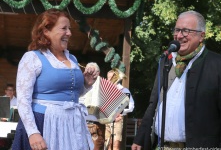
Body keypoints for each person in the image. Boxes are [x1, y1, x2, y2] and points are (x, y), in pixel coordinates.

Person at [131, 10, 221, 149]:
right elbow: (154, 103)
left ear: (202, 36)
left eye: (186, 31)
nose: (179, 35)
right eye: (177, 30)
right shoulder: (166, 61)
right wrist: (140, 139)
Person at [11, 8, 99, 150]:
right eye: (64, 28)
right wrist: (33, 132)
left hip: (72, 125)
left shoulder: (72, 59)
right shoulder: (32, 58)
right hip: (44, 123)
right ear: (46, 31)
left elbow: (71, 95)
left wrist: (86, 84)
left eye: (69, 29)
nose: (69, 33)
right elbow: (23, 100)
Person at [105, 69, 135, 150]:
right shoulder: (105, 90)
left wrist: (119, 111)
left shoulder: (124, 90)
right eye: (108, 78)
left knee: (116, 145)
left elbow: (131, 106)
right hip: (106, 120)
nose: (108, 80)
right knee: (106, 145)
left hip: (117, 120)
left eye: (111, 78)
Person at [79, 62, 106, 150]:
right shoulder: (80, 83)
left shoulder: (104, 85)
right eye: (88, 70)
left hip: (97, 125)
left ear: (98, 73)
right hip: (80, 124)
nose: (90, 72)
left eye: (93, 71)